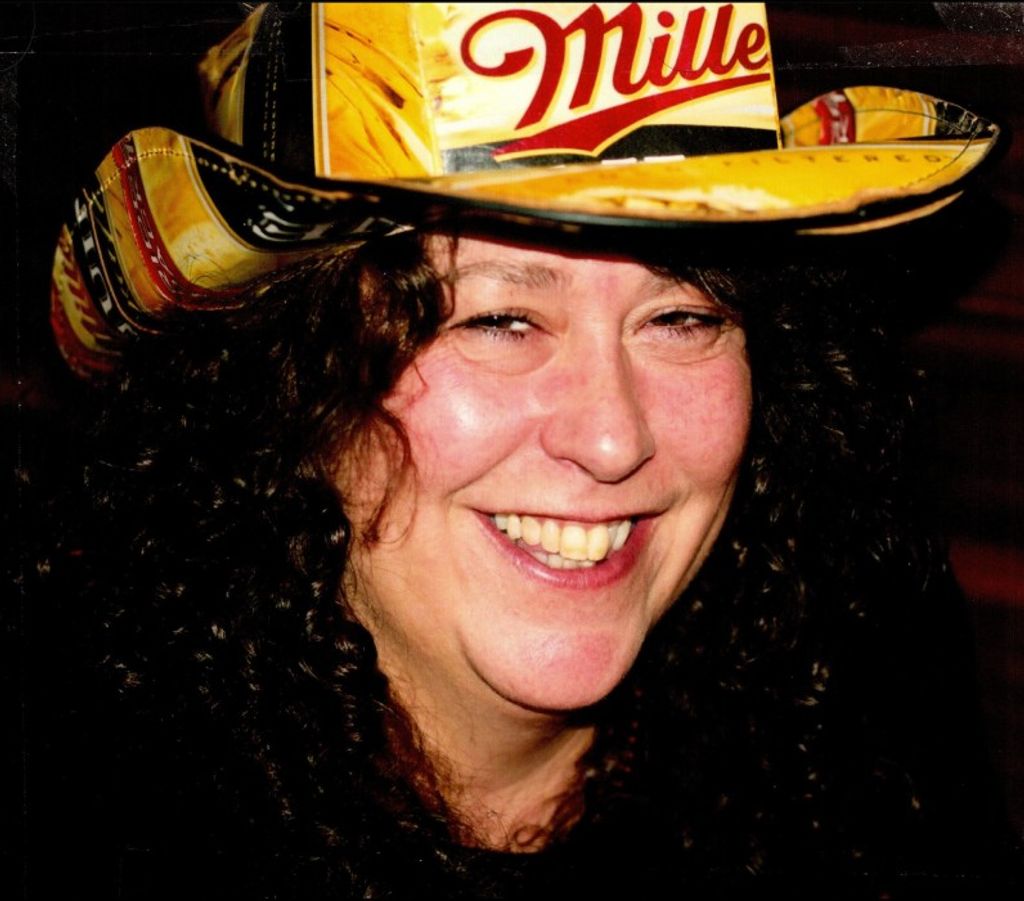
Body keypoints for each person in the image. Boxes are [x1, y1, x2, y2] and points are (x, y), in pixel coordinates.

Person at [17, 3, 1022, 899]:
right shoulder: (74, 789)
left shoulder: (859, 697)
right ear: (287, 382)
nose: (612, 437)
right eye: (498, 321)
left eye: (682, 316)